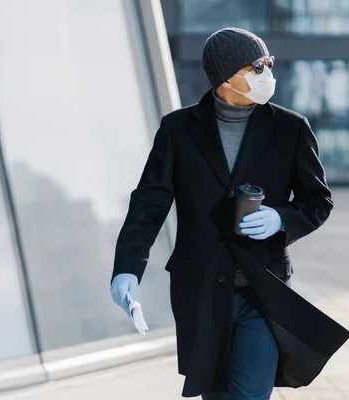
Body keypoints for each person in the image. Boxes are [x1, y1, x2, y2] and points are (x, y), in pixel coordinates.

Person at [110, 27, 334, 399]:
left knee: (250, 394)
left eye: (269, 63)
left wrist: (281, 219)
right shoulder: (178, 129)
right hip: (200, 293)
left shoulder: (291, 129)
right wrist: (127, 267)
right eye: (257, 66)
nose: (268, 73)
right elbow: (149, 204)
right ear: (226, 75)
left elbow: (318, 201)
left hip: (263, 292)